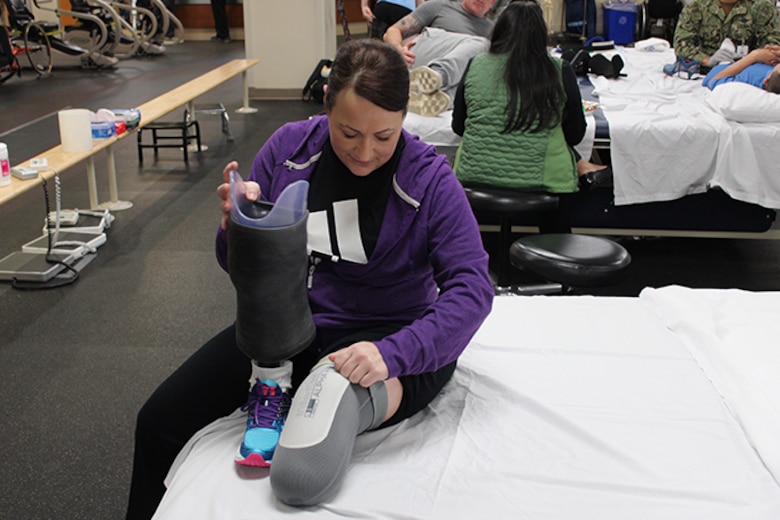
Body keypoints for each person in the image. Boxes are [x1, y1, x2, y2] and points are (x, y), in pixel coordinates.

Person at [125, 38, 494, 519]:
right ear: (326, 104)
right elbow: (243, 272)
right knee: (158, 422)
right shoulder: (288, 150)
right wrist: (239, 228)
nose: (365, 152)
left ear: (404, 118)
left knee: (302, 473)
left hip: (387, 338)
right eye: (348, 133)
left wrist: (392, 354)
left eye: (384, 137)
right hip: (289, 329)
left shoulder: (429, 180)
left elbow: (472, 291)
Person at [451, 0, 609, 208]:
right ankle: (554, 237)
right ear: (541, 35)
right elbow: (575, 135)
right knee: (557, 226)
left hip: (474, 176)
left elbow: (459, 126)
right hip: (543, 183)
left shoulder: (476, 64)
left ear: (500, 30)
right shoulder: (560, 70)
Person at [384, 0, 498, 117]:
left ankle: (433, 95)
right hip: (425, 57)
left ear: (493, 2)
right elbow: (392, 31)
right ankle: (438, 73)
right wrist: (399, 49)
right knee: (482, 45)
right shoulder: (439, 6)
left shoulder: (494, 30)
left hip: (456, 76)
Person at [673, 0, 780, 70]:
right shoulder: (696, 6)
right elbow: (682, 44)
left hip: (747, 72)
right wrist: (707, 60)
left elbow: (773, 45)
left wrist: (750, 59)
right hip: (702, 73)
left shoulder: (761, 7)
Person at [702, 47, 780, 91]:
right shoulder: (774, 75)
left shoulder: (751, 83)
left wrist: (754, 56)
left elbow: (713, 81)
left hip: (726, 65)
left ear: (766, 80)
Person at [362, 0, 426, 40]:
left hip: (383, 6)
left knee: (376, 47)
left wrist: (364, 6)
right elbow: (421, 4)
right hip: (406, 10)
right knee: (403, 49)